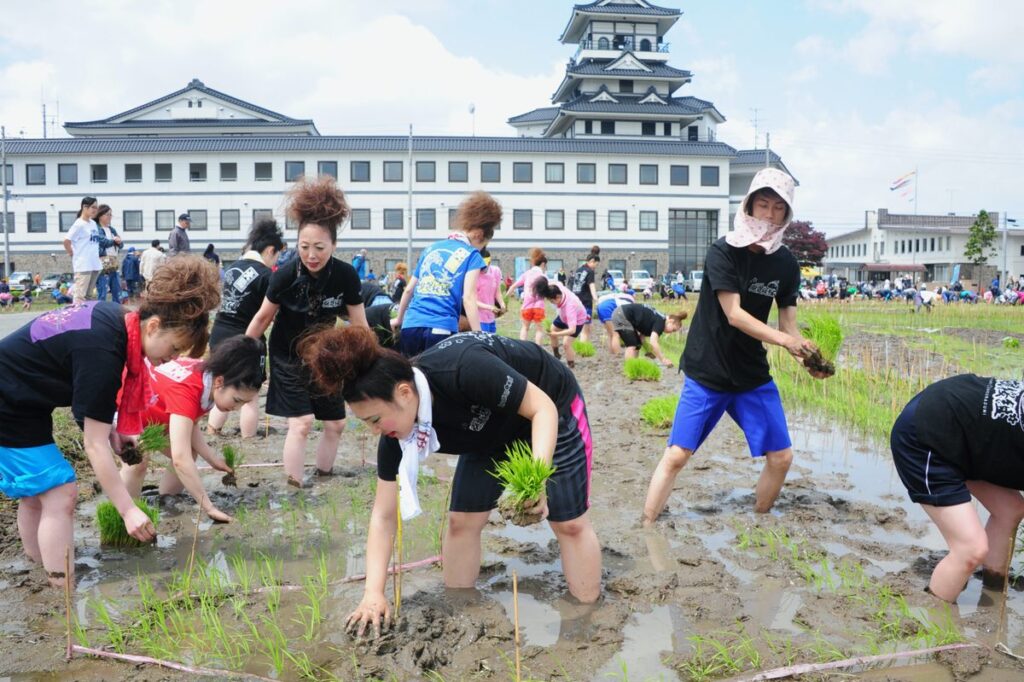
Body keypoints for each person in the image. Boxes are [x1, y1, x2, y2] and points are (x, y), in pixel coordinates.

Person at [298, 327, 602, 636]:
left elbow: (542, 408)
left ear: (404, 392)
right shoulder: (395, 435)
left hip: (551, 408)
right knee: (461, 522)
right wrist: (373, 593)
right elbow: (383, 516)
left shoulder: (463, 368)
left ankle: (586, 618)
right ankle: (461, 609)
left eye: (376, 420)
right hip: (489, 433)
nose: (375, 430)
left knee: (569, 524)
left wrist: (536, 479)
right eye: (367, 424)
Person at [0, 256, 220, 588]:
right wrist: (128, 509)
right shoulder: (105, 350)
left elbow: (87, 405)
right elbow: (93, 443)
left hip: (24, 399)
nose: (173, 359)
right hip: (8, 399)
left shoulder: (114, 319)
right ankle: (62, 590)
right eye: (175, 348)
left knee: (37, 493)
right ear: (153, 325)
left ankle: (40, 568)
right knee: (62, 493)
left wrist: (116, 432)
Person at [643, 168, 826, 524]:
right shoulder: (723, 250)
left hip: (750, 374)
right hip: (707, 369)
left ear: (787, 214)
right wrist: (785, 340)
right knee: (678, 455)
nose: (769, 216)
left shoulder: (786, 263)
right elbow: (734, 314)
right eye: (762, 205)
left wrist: (805, 352)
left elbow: (788, 323)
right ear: (748, 206)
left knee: (781, 457)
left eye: (778, 208)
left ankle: (760, 520)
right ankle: (648, 523)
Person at [246, 176, 368, 487]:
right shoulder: (284, 276)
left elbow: (360, 325)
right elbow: (261, 319)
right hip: (287, 355)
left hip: (324, 356)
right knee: (300, 424)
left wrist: (372, 362)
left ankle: (324, 476)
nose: (311, 255)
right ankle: (294, 485)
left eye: (319, 247)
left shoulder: (346, 276)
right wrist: (244, 354)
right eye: (304, 247)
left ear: (334, 246)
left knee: (336, 423)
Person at [891, 375, 1024, 603]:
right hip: (926, 436)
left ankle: (991, 597)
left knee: (1010, 508)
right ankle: (936, 627)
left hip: (965, 431)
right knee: (970, 549)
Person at [118, 336, 264, 522]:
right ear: (220, 382)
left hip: (153, 412)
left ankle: (166, 501)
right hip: (125, 401)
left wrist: (212, 460)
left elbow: (191, 423)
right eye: (236, 400)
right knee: (138, 460)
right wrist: (209, 507)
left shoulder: (209, 379)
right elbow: (180, 459)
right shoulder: (189, 388)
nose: (237, 408)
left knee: (191, 452)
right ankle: (125, 516)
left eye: (244, 403)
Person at [394, 192, 501, 356]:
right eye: (483, 246)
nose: (480, 250)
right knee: (438, 379)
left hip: (411, 325)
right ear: (479, 234)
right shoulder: (471, 255)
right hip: (441, 328)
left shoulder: (431, 249)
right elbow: (469, 298)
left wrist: (399, 320)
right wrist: (480, 336)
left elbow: (409, 290)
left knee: (411, 376)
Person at [206, 219, 285, 439]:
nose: (276, 260)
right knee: (249, 394)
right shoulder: (267, 275)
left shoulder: (233, 268)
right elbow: (269, 313)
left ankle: (212, 433)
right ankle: (249, 441)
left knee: (224, 387)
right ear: (270, 250)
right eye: (277, 255)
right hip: (246, 337)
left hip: (219, 333)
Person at [534, 278, 588, 368]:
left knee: (566, 343)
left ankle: (571, 365)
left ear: (558, 297)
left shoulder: (570, 307)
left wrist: (557, 333)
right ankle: (557, 356)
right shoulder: (556, 288)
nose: (552, 303)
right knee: (552, 330)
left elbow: (572, 330)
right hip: (563, 316)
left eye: (552, 301)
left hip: (577, 320)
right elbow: (550, 282)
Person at [610, 303, 685, 366]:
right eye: (673, 330)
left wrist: (648, 351)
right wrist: (663, 359)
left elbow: (641, 339)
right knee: (632, 345)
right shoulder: (661, 322)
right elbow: (653, 342)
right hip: (622, 315)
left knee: (637, 344)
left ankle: (634, 366)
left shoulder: (659, 319)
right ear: (670, 321)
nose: (671, 332)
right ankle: (629, 368)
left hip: (622, 313)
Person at [63, 196, 101, 304]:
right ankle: (76, 319)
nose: (95, 210)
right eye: (93, 207)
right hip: (83, 265)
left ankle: (86, 319)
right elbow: (66, 240)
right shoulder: (79, 224)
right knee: (80, 296)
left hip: (94, 264)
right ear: (85, 207)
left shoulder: (93, 223)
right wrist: (71, 252)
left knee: (89, 296)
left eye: (96, 207)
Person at [508, 247, 548, 345]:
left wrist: (506, 298)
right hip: (539, 306)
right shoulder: (543, 276)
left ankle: (522, 349)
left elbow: (513, 286)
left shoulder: (527, 273)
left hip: (526, 306)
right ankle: (538, 350)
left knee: (525, 328)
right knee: (539, 330)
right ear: (543, 264)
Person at [94, 204, 123, 303]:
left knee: (117, 290)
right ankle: (101, 313)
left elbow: (121, 244)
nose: (110, 217)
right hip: (102, 263)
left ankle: (117, 312)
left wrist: (118, 242)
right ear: (100, 216)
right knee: (102, 291)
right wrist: (114, 241)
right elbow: (103, 242)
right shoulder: (97, 228)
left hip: (113, 263)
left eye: (111, 215)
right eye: (108, 214)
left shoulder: (112, 229)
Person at [570, 249, 600, 343]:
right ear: (592, 262)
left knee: (575, 326)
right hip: (585, 302)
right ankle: (583, 347)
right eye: (596, 264)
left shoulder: (578, 270)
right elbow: (592, 286)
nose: (595, 267)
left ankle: (571, 344)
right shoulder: (590, 271)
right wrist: (596, 299)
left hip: (575, 301)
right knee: (585, 329)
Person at [476, 248, 506, 333]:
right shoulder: (474, 276)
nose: (482, 269)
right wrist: (489, 307)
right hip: (479, 318)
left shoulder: (496, 271)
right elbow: (472, 300)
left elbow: (497, 292)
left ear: (489, 262)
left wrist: (502, 304)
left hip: (491, 316)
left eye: (484, 266)